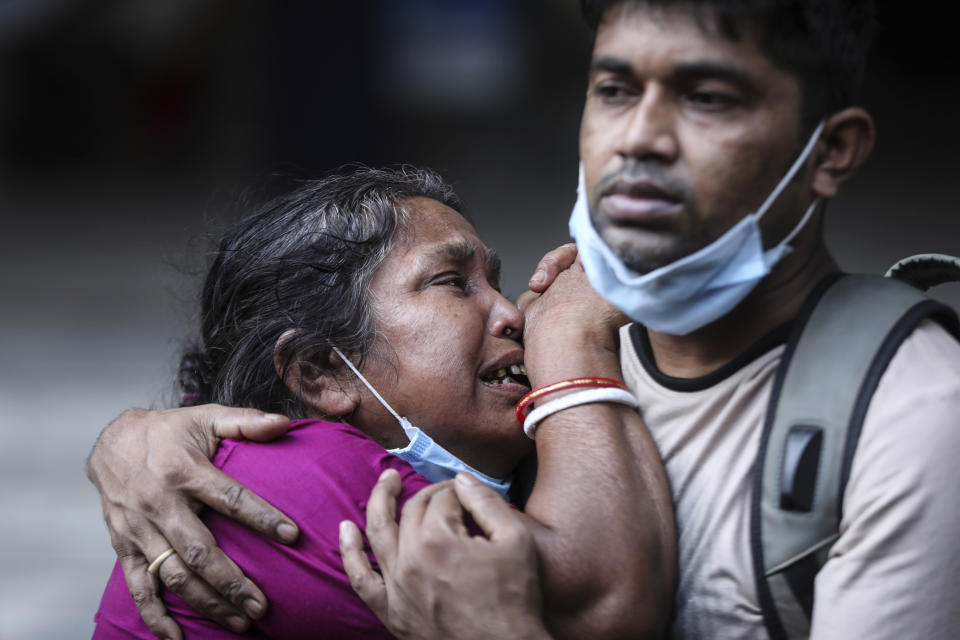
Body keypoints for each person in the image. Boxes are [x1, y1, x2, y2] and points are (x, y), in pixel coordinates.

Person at [87, 0, 960, 638]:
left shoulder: (908, 413)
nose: (640, 139)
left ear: (832, 151)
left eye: (709, 98)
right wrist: (134, 439)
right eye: (615, 89)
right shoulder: (539, 387)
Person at [89, 167, 675, 639]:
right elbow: (604, 607)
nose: (513, 314)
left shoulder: (214, 453)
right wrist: (574, 335)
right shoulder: (289, 479)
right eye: (452, 282)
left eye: (496, 281)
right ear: (321, 372)